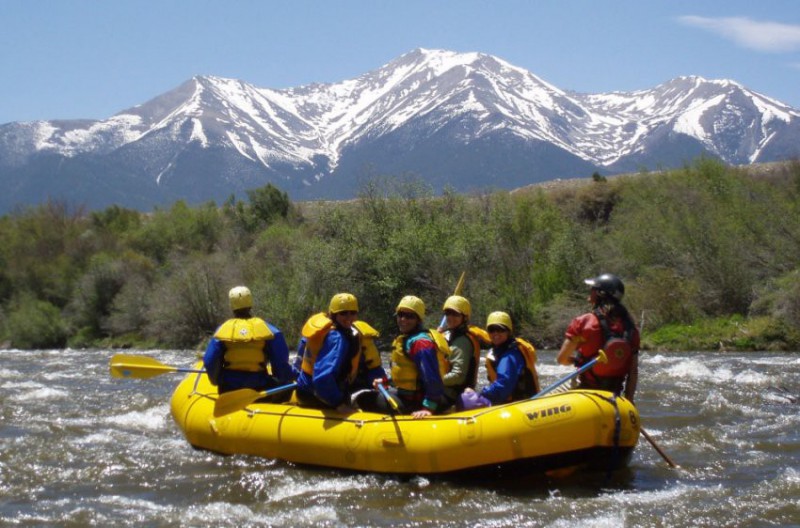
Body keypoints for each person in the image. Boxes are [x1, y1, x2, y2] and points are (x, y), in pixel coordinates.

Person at [295, 293, 386, 412]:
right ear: (334, 314)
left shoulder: (344, 333)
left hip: (307, 390)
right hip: (316, 394)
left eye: (352, 312)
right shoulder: (336, 338)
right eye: (343, 313)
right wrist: (339, 403)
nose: (349, 317)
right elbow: (322, 378)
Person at [556, 273, 640, 401]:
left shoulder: (583, 322)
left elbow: (562, 359)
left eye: (592, 289)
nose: (590, 292)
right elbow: (633, 373)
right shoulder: (631, 329)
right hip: (615, 395)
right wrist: (629, 401)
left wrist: (577, 360)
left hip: (587, 393)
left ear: (599, 294)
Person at [203, 286, 294, 399]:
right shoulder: (270, 331)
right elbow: (281, 363)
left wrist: (217, 380)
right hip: (260, 387)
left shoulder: (222, 331)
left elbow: (209, 361)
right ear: (250, 304)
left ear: (232, 306)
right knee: (288, 386)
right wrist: (283, 380)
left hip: (228, 388)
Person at [370, 295, 450, 418]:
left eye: (410, 316)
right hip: (406, 396)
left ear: (418, 320)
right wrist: (386, 382)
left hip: (416, 402)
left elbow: (432, 379)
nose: (403, 319)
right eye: (400, 314)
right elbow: (408, 375)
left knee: (364, 399)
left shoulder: (421, 343)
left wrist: (428, 407)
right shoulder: (406, 339)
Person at [460, 311, 540, 408]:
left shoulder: (510, 355)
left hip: (523, 405)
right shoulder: (499, 351)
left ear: (508, 332)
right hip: (509, 402)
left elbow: (503, 385)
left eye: (500, 330)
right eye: (492, 330)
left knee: (466, 400)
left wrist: (480, 395)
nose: (496, 333)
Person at [439, 295, 489, 407]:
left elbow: (458, 376)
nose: (450, 317)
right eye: (448, 313)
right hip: (443, 389)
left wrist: (432, 380)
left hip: (451, 395)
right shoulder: (447, 335)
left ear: (465, 317)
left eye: (455, 314)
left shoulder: (462, 341)